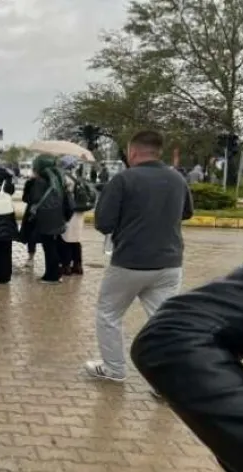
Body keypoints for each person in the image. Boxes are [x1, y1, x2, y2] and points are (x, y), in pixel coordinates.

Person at [131, 231, 243, 472]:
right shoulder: (179, 189)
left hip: (134, 257)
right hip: (167, 258)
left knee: (108, 313)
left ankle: (112, 367)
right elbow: (177, 333)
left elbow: (107, 219)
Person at [84, 129, 194, 382]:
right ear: (158, 152)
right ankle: (168, 381)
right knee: (163, 321)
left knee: (108, 314)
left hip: (130, 262)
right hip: (169, 263)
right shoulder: (177, 179)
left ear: (132, 152)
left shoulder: (124, 180)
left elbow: (104, 223)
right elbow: (187, 213)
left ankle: (114, 368)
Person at [24, 155, 69, 283]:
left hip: (45, 217)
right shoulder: (57, 178)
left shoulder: (40, 180)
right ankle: (55, 274)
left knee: (48, 248)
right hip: (57, 216)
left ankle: (51, 276)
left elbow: (34, 199)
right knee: (53, 246)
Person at [58, 155, 87, 275]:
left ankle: (66, 266)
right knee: (76, 240)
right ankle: (78, 265)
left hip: (69, 211)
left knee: (66, 239)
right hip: (79, 212)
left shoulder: (65, 178)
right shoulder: (79, 178)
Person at [19, 175, 39, 266]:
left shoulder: (31, 182)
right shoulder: (30, 182)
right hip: (39, 211)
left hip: (33, 211)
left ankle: (31, 258)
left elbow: (25, 198)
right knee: (32, 235)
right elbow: (24, 198)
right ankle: (31, 257)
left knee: (32, 235)